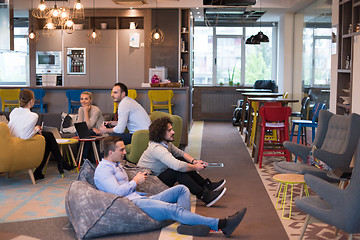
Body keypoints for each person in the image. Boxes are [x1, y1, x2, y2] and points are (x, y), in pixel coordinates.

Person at [94, 136, 246, 237]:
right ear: (110, 152)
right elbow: (116, 193)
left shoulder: (116, 164)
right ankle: (221, 224)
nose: (125, 152)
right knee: (174, 209)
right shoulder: (103, 170)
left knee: (182, 189)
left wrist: (135, 180)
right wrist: (135, 181)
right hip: (132, 204)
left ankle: (187, 224)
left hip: (140, 198)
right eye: (121, 150)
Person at [137, 117, 226, 207]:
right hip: (149, 184)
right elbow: (177, 166)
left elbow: (181, 154)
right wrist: (196, 167)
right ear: (161, 134)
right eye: (169, 130)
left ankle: (205, 185)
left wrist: (194, 161)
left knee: (181, 160)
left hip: (157, 177)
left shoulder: (165, 143)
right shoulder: (157, 149)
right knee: (177, 171)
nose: (173, 132)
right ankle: (204, 196)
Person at [7, 89, 75, 180]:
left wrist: (35, 129)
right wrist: (36, 129)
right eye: (34, 99)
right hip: (22, 144)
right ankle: (61, 163)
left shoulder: (14, 111)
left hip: (12, 142)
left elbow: (19, 129)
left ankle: (50, 167)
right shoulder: (33, 116)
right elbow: (25, 136)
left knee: (48, 136)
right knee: (48, 138)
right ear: (31, 101)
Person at [77, 91, 104, 162]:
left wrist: (85, 111)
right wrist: (92, 128)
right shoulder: (80, 109)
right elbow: (80, 126)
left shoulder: (96, 110)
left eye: (86, 99)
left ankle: (83, 160)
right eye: (81, 99)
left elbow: (87, 126)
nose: (83, 101)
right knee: (81, 133)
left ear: (91, 100)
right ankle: (81, 160)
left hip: (100, 132)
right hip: (91, 131)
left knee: (85, 134)